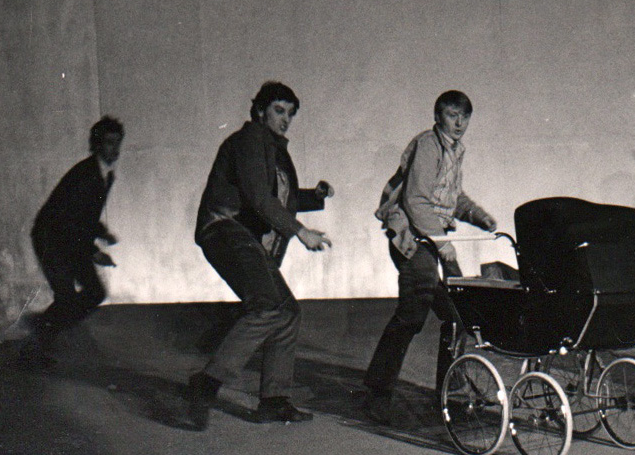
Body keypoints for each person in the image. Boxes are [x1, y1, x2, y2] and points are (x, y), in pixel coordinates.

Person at [186, 81, 333, 430]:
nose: (285, 119)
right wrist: (300, 232)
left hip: (244, 237)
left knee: (287, 312)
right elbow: (258, 197)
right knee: (267, 307)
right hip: (224, 228)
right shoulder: (250, 139)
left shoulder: (272, 150)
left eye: (290, 114)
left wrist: (315, 197)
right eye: (279, 110)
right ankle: (206, 384)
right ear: (260, 110)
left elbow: (277, 197)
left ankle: (274, 400)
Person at [363, 90, 497, 424]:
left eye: (464, 117)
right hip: (412, 239)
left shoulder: (453, 150)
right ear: (438, 117)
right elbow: (416, 201)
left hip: (431, 238)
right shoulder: (428, 145)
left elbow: (451, 197)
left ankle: (450, 392)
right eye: (452, 115)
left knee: (458, 312)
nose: (459, 123)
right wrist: (441, 241)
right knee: (412, 314)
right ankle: (377, 393)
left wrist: (479, 216)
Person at [23, 116, 124, 366]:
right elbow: (70, 220)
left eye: (117, 142)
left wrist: (101, 232)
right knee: (67, 298)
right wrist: (94, 251)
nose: (115, 149)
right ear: (97, 144)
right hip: (52, 239)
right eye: (109, 142)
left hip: (70, 239)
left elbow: (84, 215)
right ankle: (36, 345)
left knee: (94, 293)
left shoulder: (103, 174)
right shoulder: (87, 174)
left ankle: (44, 331)